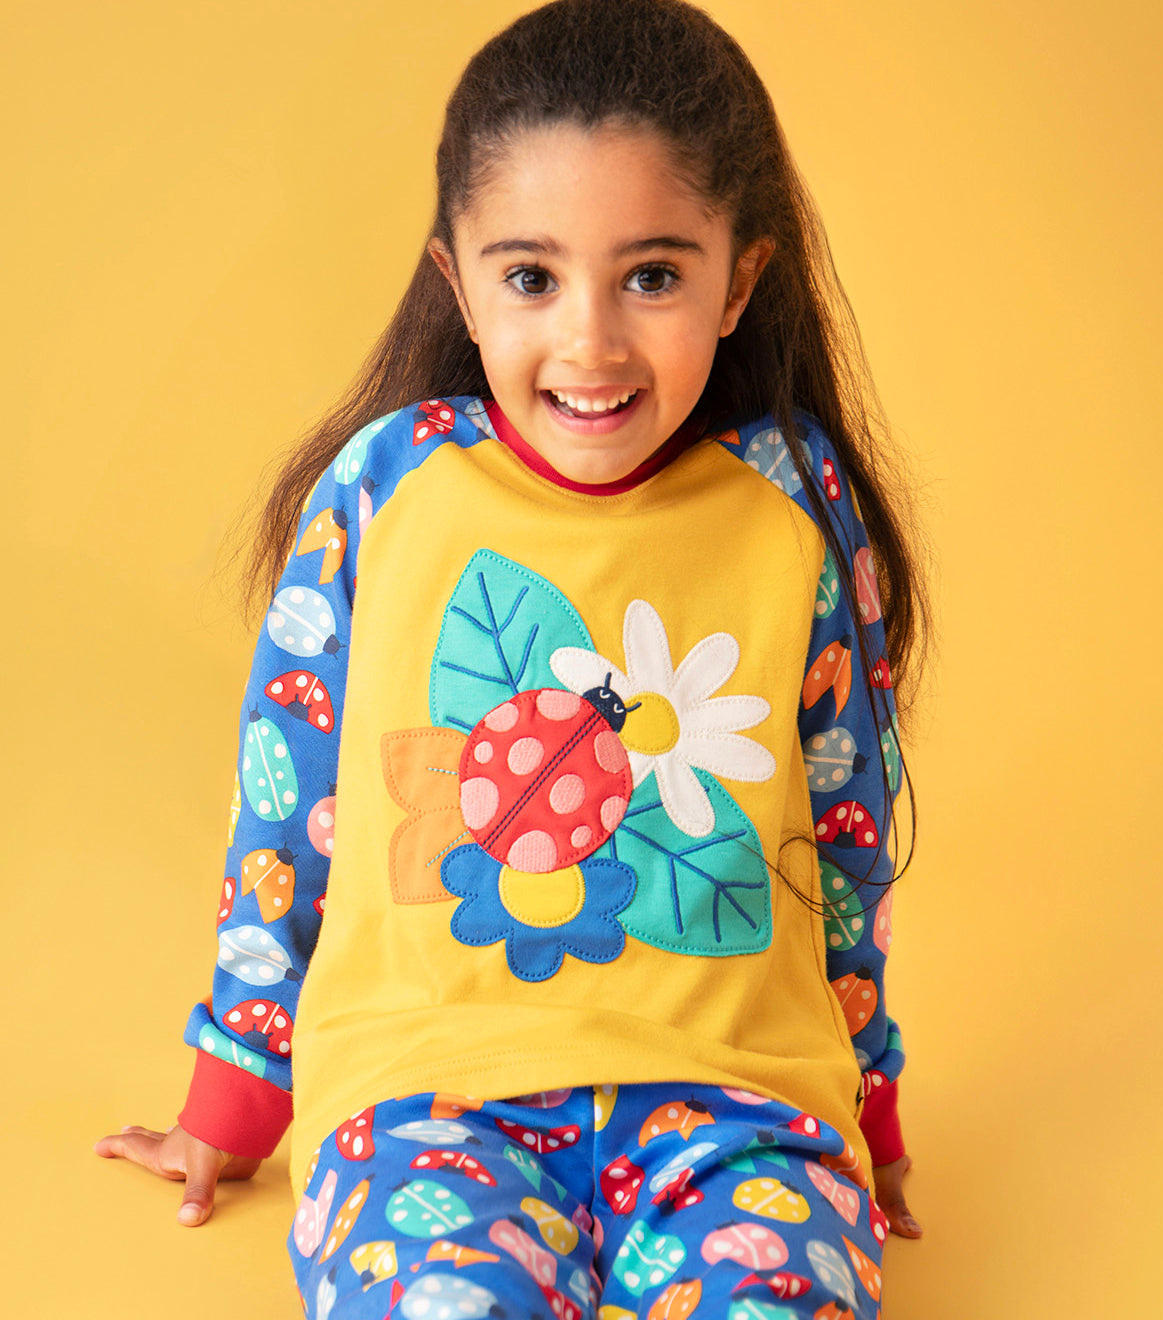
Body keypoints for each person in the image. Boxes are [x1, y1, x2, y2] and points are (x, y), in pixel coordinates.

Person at [95, 1, 931, 1314]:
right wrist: (235, 1097)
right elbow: (289, 801)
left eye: (652, 275)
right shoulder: (387, 490)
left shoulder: (793, 505)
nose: (589, 340)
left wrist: (869, 1104)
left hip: (741, 1109)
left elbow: (845, 833)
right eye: (532, 277)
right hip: (428, 1098)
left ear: (741, 277)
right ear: (458, 277)